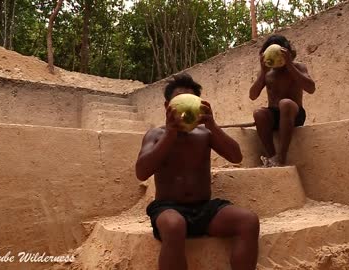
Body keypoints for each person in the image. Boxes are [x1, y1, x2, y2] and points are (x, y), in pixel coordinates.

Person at [135, 73, 259, 270]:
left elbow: (236, 157)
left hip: (204, 209)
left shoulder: (205, 134)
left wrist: (212, 125)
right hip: (168, 208)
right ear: (167, 107)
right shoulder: (156, 135)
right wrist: (170, 134)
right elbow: (141, 172)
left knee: (248, 221)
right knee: (174, 226)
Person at [249, 34, 316, 167]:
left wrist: (290, 66)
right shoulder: (266, 72)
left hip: (294, 114)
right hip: (274, 116)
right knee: (259, 113)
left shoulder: (298, 67)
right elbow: (253, 95)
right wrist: (262, 73)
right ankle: (272, 156)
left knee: (285, 103)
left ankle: (281, 157)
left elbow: (311, 88)